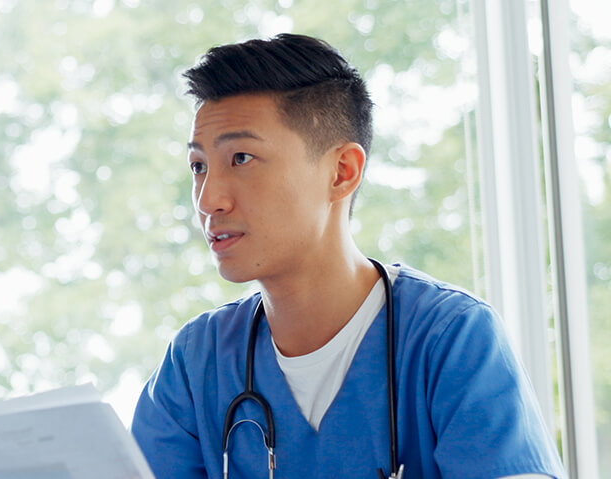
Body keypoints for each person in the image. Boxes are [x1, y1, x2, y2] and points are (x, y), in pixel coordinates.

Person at [130, 34, 564, 478]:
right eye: (198, 166)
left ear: (342, 171)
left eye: (241, 157)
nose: (208, 200)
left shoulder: (449, 337)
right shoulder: (196, 362)